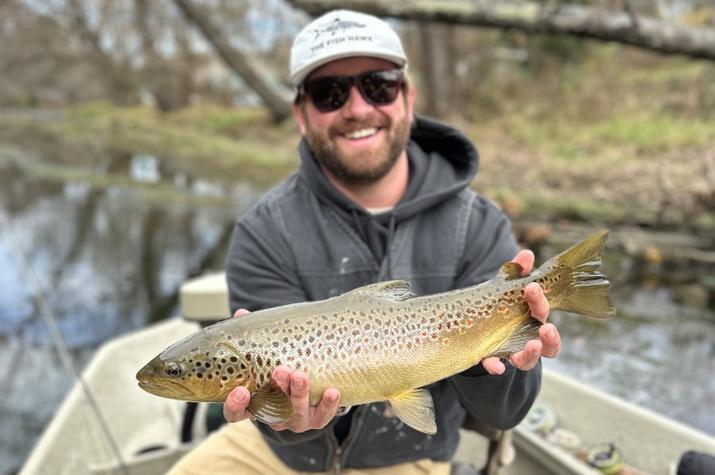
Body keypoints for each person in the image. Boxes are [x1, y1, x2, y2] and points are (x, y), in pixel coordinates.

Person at [168, 9, 560, 475]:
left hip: (410, 455)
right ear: (301, 113)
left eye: (378, 85)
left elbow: (506, 413)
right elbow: (278, 417)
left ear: (407, 98)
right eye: (329, 93)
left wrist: (487, 358)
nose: (356, 108)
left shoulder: (477, 225)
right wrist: (288, 421)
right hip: (283, 457)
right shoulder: (265, 230)